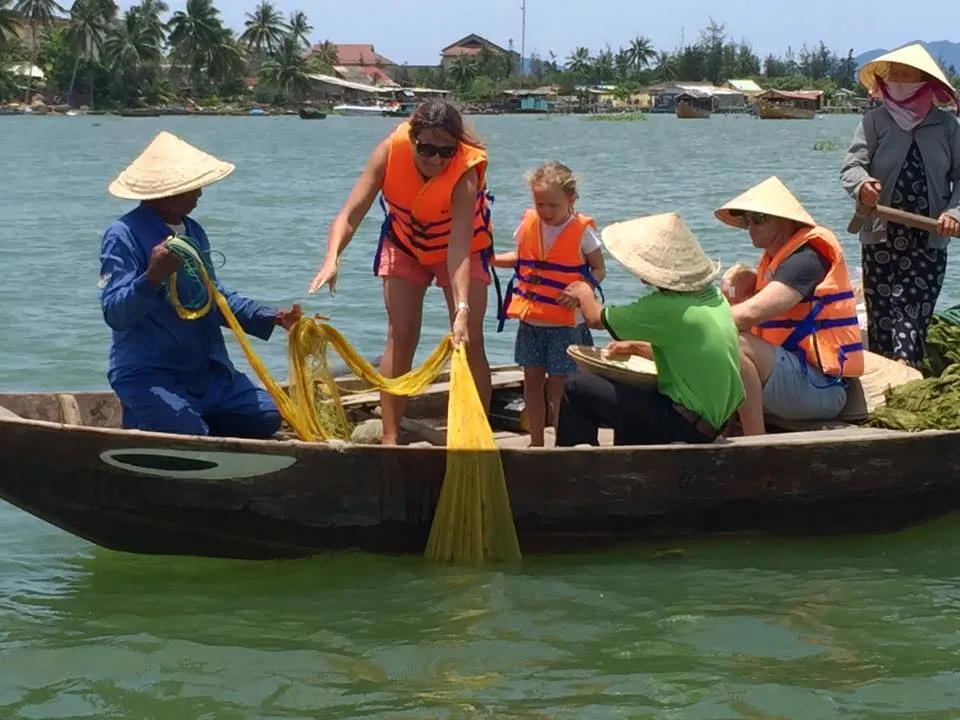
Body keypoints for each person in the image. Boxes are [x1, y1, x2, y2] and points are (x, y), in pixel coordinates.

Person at [307, 100, 495, 446]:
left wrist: (462, 308)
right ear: (412, 139)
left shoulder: (465, 171)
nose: (436, 159)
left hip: (458, 250)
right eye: (426, 149)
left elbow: (459, 248)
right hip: (405, 244)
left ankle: (475, 440)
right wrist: (332, 258)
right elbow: (349, 214)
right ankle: (390, 438)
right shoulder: (389, 152)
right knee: (401, 333)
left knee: (469, 339)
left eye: (446, 151)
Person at [100, 131, 302, 438]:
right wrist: (152, 276)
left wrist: (271, 316)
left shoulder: (193, 231)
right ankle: (154, 418)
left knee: (265, 416)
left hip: (205, 372)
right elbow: (115, 313)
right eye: (193, 187)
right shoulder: (123, 234)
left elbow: (213, 297)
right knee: (187, 431)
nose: (200, 194)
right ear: (169, 192)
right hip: (150, 371)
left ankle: (190, 421)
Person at [555, 211, 744, 446]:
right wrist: (636, 347)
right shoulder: (712, 296)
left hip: (685, 426)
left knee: (576, 387)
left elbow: (595, 318)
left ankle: (571, 466)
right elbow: (689, 354)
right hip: (710, 423)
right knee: (629, 400)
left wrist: (584, 291)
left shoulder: (665, 307)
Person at [840, 43, 960, 368]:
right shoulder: (874, 121)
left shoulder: (947, 127)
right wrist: (863, 186)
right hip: (881, 235)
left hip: (929, 238)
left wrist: (954, 213)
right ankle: (886, 377)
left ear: (925, 82)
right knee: (881, 317)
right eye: (895, 76)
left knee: (912, 312)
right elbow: (852, 166)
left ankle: (906, 368)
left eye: (908, 76)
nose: (900, 82)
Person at [717, 176, 864, 425]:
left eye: (759, 218)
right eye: (747, 219)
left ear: (786, 220)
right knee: (720, 342)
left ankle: (754, 439)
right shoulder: (775, 263)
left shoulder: (808, 259)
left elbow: (752, 313)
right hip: (795, 377)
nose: (750, 226)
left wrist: (695, 326)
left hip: (822, 387)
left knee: (733, 342)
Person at [493, 161, 606, 446]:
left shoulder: (583, 231)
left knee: (559, 387)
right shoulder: (529, 224)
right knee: (531, 382)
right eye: (539, 204)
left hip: (566, 325)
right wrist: (490, 259)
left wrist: (583, 291)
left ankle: (561, 443)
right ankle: (536, 441)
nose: (545, 211)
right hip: (531, 322)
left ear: (571, 199)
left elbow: (598, 269)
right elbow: (521, 259)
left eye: (553, 205)